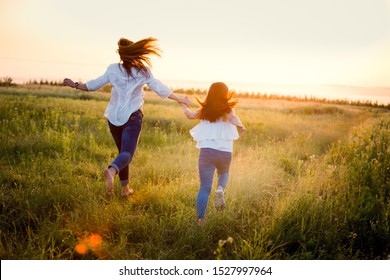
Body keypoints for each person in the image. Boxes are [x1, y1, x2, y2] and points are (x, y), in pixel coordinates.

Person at [64, 37, 190, 197]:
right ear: (134, 53)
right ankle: (111, 171)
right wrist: (180, 99)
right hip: (132, 116)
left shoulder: (112, 69)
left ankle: (125, 190)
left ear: (120, 55)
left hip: (113, 117)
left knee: (123, 153)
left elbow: (92, 85)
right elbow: (160, 88)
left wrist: (73, 84)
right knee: (127, 153)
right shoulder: (143, 70)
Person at [181, 82, 246, 225]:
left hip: (207, 153)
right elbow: (233, 118)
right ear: (225, 94)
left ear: (210, 93)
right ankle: (220, 188)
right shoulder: (227, 110)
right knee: (224, 174)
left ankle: (200, 220)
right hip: (224, 153)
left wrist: (183, 104)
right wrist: (240, 125)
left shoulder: (204, 110)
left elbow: (189, 115)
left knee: (204, 187)